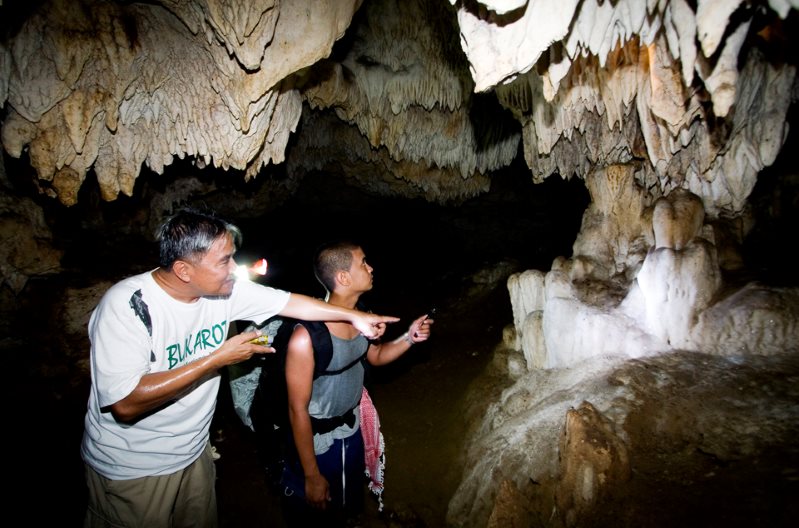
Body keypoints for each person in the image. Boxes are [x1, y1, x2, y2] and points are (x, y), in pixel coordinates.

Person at [80, 207, 398, 528]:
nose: (234, 268)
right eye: (224, 261)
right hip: (133, 468)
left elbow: (292, 302)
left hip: (193, 453)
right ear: (184, 270)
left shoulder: (225, 292)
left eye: (233, 256)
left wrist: (353, 316)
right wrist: (216, 359)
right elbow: (124, 402)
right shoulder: (128, 307)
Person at [281, 240, 433, 526]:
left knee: (347, 507)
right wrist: (312, 474)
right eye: (363, 262)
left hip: (351, 431)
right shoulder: (306, 337)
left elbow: (373, 355)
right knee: (315, 515)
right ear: (343, 278)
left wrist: (409, 338)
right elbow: (296, 410)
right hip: (317, 444)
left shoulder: (361, 313)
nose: (371, 267)